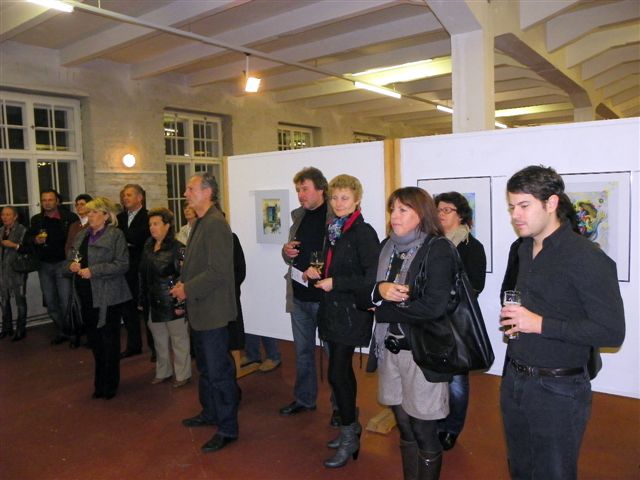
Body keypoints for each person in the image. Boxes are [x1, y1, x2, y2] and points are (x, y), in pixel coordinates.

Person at [500, 165, 625, 480]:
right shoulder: (523, 248)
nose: (516, 215)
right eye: (512, 207)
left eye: (524, 205)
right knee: (520, 469)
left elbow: (612, 331)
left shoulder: (586, 257)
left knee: (554, 473)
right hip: (514, 379)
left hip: (558, 388)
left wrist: (539, 324)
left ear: (551, 203)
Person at [367, 186, 457, 480]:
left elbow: (433, 306)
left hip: (422, 351)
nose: (394, 215)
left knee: (423, 429)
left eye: (403, 210)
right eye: (392, 209)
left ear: (421, 214)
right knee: (404, 425)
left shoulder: (438, 249)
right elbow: (365, 292)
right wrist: (379, 290)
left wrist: (382, 309)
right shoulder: (386, 247)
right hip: (388, 347)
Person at [305, 174, 380, 468]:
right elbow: (332, 266)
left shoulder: (363, 232)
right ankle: (351, 426)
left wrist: (335, 282)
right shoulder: (334, 229)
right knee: (341, 373)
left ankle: (350, 434)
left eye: (345, 197)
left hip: (352, 313)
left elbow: (371, 277)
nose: (338, 203)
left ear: (357, 200)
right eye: (334, 197)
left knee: (337, 373)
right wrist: (315, 272)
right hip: (333, 310)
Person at [171, 172, 239, 453]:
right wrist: (183, 285)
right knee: (206, 370)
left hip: (213, 311)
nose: (185, 194)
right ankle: (210, 412)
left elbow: (219, 271)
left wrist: (186, 289)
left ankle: (228, 428)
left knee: (219, 371)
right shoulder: (201, 221)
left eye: (191, 189)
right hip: (200, 309)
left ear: (207, 192)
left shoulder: (215, 224)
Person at [280, 166, 338, 421]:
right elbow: (290, 257)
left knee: (334, 356)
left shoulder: (335, 218)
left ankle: (340, 408)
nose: (300, 194)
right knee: (302, 353)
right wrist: (286, 251)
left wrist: (322, 271)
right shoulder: (299, 217)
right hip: (299, 297)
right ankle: (305, 399)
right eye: (298, 190)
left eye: (305, 189)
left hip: (325, 300)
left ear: (321, 189)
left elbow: (343, 257)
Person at [433, 192, 486, 451]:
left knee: (456, 380)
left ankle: (452, 428)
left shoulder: (471, 247)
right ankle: (434, 420)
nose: (441, 214)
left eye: (447, 210)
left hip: (457, 323)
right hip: (430, 320)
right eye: (438, 210)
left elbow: (476, 285)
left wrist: (444, 296)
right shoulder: (430, 243)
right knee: (431, 375)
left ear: (461, 215)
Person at [67, 197, 131, 400]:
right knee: (95, 340)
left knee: (109, 340)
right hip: (87, 294)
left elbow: (122, 264)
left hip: (109, 294)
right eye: (89, 212)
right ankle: (99, 382)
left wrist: (94, 270)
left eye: (94, 212)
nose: (90, 215)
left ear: (106, 215)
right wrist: (72, 265)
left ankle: (110, 383)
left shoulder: (115, 235)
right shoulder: (82, 235)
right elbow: (73, 257)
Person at [139, 208, 191, 388]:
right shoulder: (148, 246)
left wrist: (180, 304)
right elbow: (142, 275)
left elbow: (184, 276)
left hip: (171, 300)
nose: (152, 228)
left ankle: (183, 374)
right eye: (150, 224)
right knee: (159, 341)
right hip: (152, 302)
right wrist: (141, 300)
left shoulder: (178, 248)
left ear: (167, 226)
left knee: (179, 340)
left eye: (156, 224)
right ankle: (163, 371)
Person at [28, 189, 79, 344]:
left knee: (66, 301)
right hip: (44, 265)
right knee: (50, 302)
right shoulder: (37, 219)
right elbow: (28, 238)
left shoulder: (69, 217)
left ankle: (72, 332)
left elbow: (76, 240)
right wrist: (35, 240)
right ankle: (63, 330)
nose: (47, 203)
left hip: (63, 264)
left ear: (57, 201)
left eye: (50, 199)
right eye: (44, 200)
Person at [117, 184, 153, 360]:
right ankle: (133, 345)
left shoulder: (149, 217)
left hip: (142, 267)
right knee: (128, 308)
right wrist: (128, 241)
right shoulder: (119, 218)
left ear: (140, 198)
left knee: (147, 309)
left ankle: (155, 348)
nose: (125, 198)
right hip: (124, 269)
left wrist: (127, 240)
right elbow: (118, 240)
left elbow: (140, 238)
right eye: (124, 195)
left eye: (129, 195)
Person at [65, 193, 93, 348]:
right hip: (74, 268)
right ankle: (77, 332)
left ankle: (90, 334)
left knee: (89, 304)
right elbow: (69, 246)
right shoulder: (74, 226)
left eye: (82, 204)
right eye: (77, 204)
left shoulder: (93, 224)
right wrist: (71, 262)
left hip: (88, 269)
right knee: (76, 303)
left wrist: (80, 262)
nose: (79, 207)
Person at [0, 207, 28, 341]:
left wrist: (13, 245)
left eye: (8, 214)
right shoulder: (0, 230)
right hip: (2, 271)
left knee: (20, 300)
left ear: (15, 216)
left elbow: (27, 249)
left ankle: (21, 329)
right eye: (3, 215)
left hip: (17, 270)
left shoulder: (22, 230)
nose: (5, 217)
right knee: (4, 300)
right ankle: (7, 328)